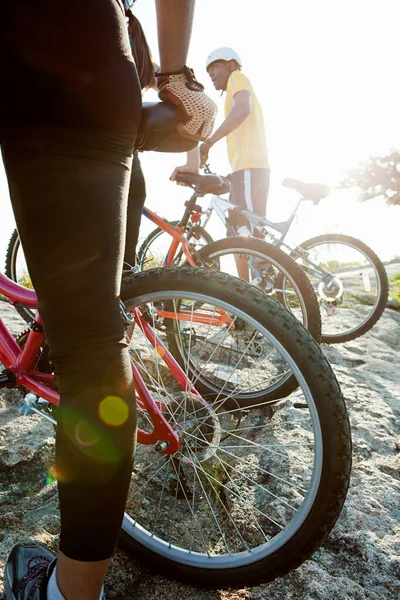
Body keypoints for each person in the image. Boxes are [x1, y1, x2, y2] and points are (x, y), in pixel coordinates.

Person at [0, 2, 216, 599]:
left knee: (91, 345)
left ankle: (67, 594)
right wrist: (175, 75)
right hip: (96, 52)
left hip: (41, 55)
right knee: (97, 333)